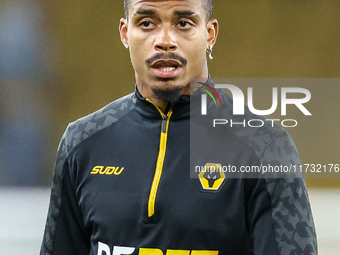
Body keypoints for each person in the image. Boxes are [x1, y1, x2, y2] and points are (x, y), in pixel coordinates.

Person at [40, 0, 317, 254]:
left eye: (183, 23)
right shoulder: (82, 142)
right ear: (125, 33)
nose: (164, 41)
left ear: (210, 34)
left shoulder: (265, 147)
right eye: (146, 23)